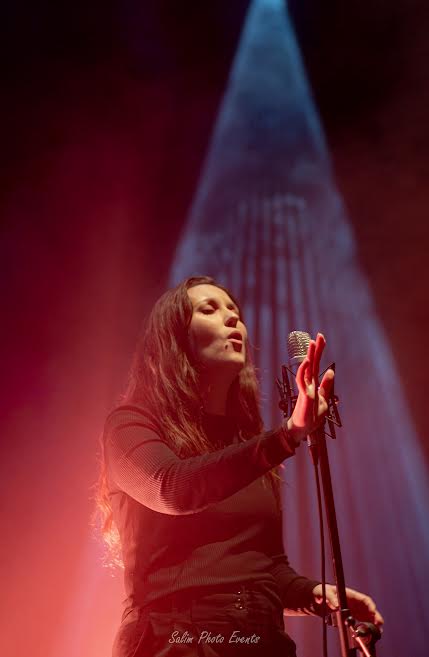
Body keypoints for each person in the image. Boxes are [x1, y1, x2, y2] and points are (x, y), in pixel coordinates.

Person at [96, 275, 383, 657]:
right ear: (174, 338)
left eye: (234, 311)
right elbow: (169, 488)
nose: (232, 318)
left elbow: (267, 568)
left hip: (262, 640)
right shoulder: (130, 425)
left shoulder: (247, 446)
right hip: (176, 640)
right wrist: (287, 436)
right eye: (209, 310)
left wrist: (317, 595)